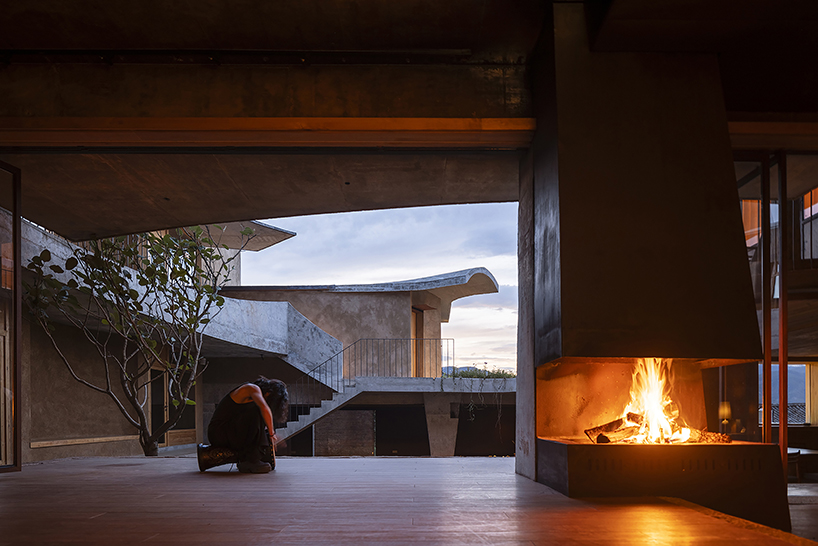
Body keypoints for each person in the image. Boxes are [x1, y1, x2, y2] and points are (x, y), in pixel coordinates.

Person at [206, 376, 289, 473]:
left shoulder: (255, 396)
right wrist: (272, 434)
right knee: (258, 410)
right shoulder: (251, 388)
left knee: (261, 419)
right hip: (218, 432)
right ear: (268, 393)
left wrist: (271, 436)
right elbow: (264, 408)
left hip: (231, 433)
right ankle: (249, 461)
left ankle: (248, 460)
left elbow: (258, 426)